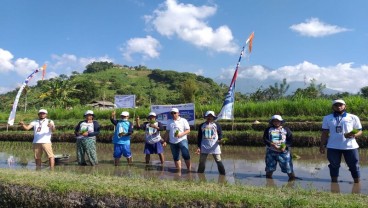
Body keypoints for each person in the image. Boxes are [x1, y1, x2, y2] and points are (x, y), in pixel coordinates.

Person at [320, 99, 362, 183]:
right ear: (333, 107)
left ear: (345, 106)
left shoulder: (353, 117)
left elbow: (360, 131)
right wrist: (322, 145)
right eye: (336, 105)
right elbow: (324, 133)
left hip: (350, 146)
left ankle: (357, 183)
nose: (338, 107)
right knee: (333, 165)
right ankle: (334, 183)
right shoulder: (327, 118)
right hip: (333, 146)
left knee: (354, 166)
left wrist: (355, 135)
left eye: (341, 105)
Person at [263, 115, 296, 181]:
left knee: (288, 167)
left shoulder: (286, 129)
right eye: (274, 121)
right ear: (272, 122)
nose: (276, 122)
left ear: (281, 122)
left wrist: (285, 146)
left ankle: (292, 180)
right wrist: (271, 144)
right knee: (269, 168)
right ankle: (269, 181)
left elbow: (290, 139)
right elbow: (265, 139)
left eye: (278, 121)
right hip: (271, 152)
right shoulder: (268, 129)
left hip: (283, 152)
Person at [196, 111, 225, 175]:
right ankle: (200, 174)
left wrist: (220, 140)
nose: (209, 117)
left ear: (213, 117)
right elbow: (199, 137)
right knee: (202, 161)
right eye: (208, 116)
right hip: (204, 145)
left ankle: (223, 174)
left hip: (214, 146)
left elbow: (220, 134)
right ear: (206, 117)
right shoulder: (202, 125)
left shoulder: (217, 125)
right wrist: (198, 147)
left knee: (218, 160)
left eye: (211, 116)